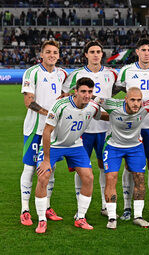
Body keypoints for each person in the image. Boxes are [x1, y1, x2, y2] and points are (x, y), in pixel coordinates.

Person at [34, 77, 102, 234]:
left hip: (75, 145)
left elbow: (104, 116)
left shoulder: (92, 106)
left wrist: (127, 115)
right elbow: (46, 131)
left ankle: (81, 218)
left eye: (90, 92)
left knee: (88, 177)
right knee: (43, 176)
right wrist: (46, 159)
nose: (87, 95)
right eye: (83, 91)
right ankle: (42, 220)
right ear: (75, 91)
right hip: (54, 145)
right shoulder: (60, 105)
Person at [115, 38, 149, 220]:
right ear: (137, 51)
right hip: (132, 125)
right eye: (143, 49)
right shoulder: (126, 71)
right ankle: (127, 207)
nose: (147, 52)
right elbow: (116, 91)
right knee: (130, 167)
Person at [62, 41, 118, 217]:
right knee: (81, 168)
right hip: (82, 130)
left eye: (98, 52)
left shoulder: (111, 74)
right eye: (92, 51)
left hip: (105, 128)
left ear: (102, 54)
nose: (96, 54)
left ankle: (104, 204)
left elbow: (112, 93)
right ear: (85, 54)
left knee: (104, 166)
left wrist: (100, 101)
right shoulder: (76, 74)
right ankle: (81, 210)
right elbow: (65, 94)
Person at [94, 87, 149, 229]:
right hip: (113, 147)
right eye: (132, 100)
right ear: (125, 99)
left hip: (135, 147)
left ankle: (138, 216)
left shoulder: (146, 105)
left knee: (139, 179)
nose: (136, 103)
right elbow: (93, 98)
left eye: (138, 100)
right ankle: (112, 218)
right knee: (111, 178)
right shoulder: (112, 105)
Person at [20, 40, 67, 226]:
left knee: (50, 168)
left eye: (55, 52)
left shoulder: (62, 74)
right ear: (42, 54)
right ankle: (25, 210)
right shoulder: (32, 72)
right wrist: (49, 113)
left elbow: (66, 96)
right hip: (35, 129)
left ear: (59, 55)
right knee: (30, 168)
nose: (52, 55)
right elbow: (28, 102)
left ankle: (46, 206)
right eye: (48, 52)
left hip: (54, 131)